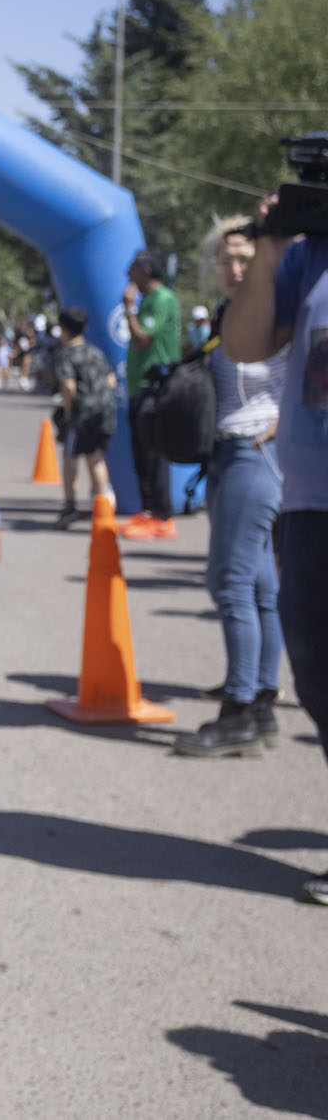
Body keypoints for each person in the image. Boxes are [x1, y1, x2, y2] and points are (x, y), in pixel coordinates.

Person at [223, 190, 327, 903]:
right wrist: (266, 249)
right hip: (312, 502)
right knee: (318, 676)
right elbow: (246, 343)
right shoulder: (307, 254)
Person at [175, 217, 286, 757]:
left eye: (244, 257)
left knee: (231, 582)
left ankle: (240, 710)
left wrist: (286, 419)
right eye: (226, 260)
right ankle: (260, 701)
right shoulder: (226, 313)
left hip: (255, 452)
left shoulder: (283, 302)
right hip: (225, 453)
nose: (235, 269)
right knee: (260, 586)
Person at [122, 248, 182, 540]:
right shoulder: (149, 300)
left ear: (145, 270)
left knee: (154, 453)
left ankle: (162, 515)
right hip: (139, 388)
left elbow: (143, 339)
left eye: (132, 268)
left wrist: (128, 309)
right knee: (142, 452)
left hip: (155, 389)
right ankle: (148, 510)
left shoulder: (161, 299)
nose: (127, 274)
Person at [50, 308, 118, 529]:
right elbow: (111, 380)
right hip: (104, 411)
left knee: (70, 457)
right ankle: (103, 503)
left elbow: (68, 386)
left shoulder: (66, 354)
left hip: (82, 414)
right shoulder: (95, 352)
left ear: (64, 329)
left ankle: (70, 505)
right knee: (95, 456)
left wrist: (69, 412)